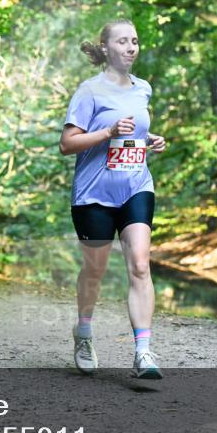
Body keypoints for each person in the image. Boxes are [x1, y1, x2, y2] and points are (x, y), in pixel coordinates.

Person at [58, 19, 167, 379]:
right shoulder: (89, 91)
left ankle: (143, 351)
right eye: (123, 41)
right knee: (96, 269)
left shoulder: (143, 88)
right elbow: (67, 144)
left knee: (139, 263)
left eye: (135, 41)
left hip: (135, 184)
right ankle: (84, 332)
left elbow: (132, 129)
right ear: (106, 48)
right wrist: (106, 132)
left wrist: (150, 138)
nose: (131, 47)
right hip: (94, 194)